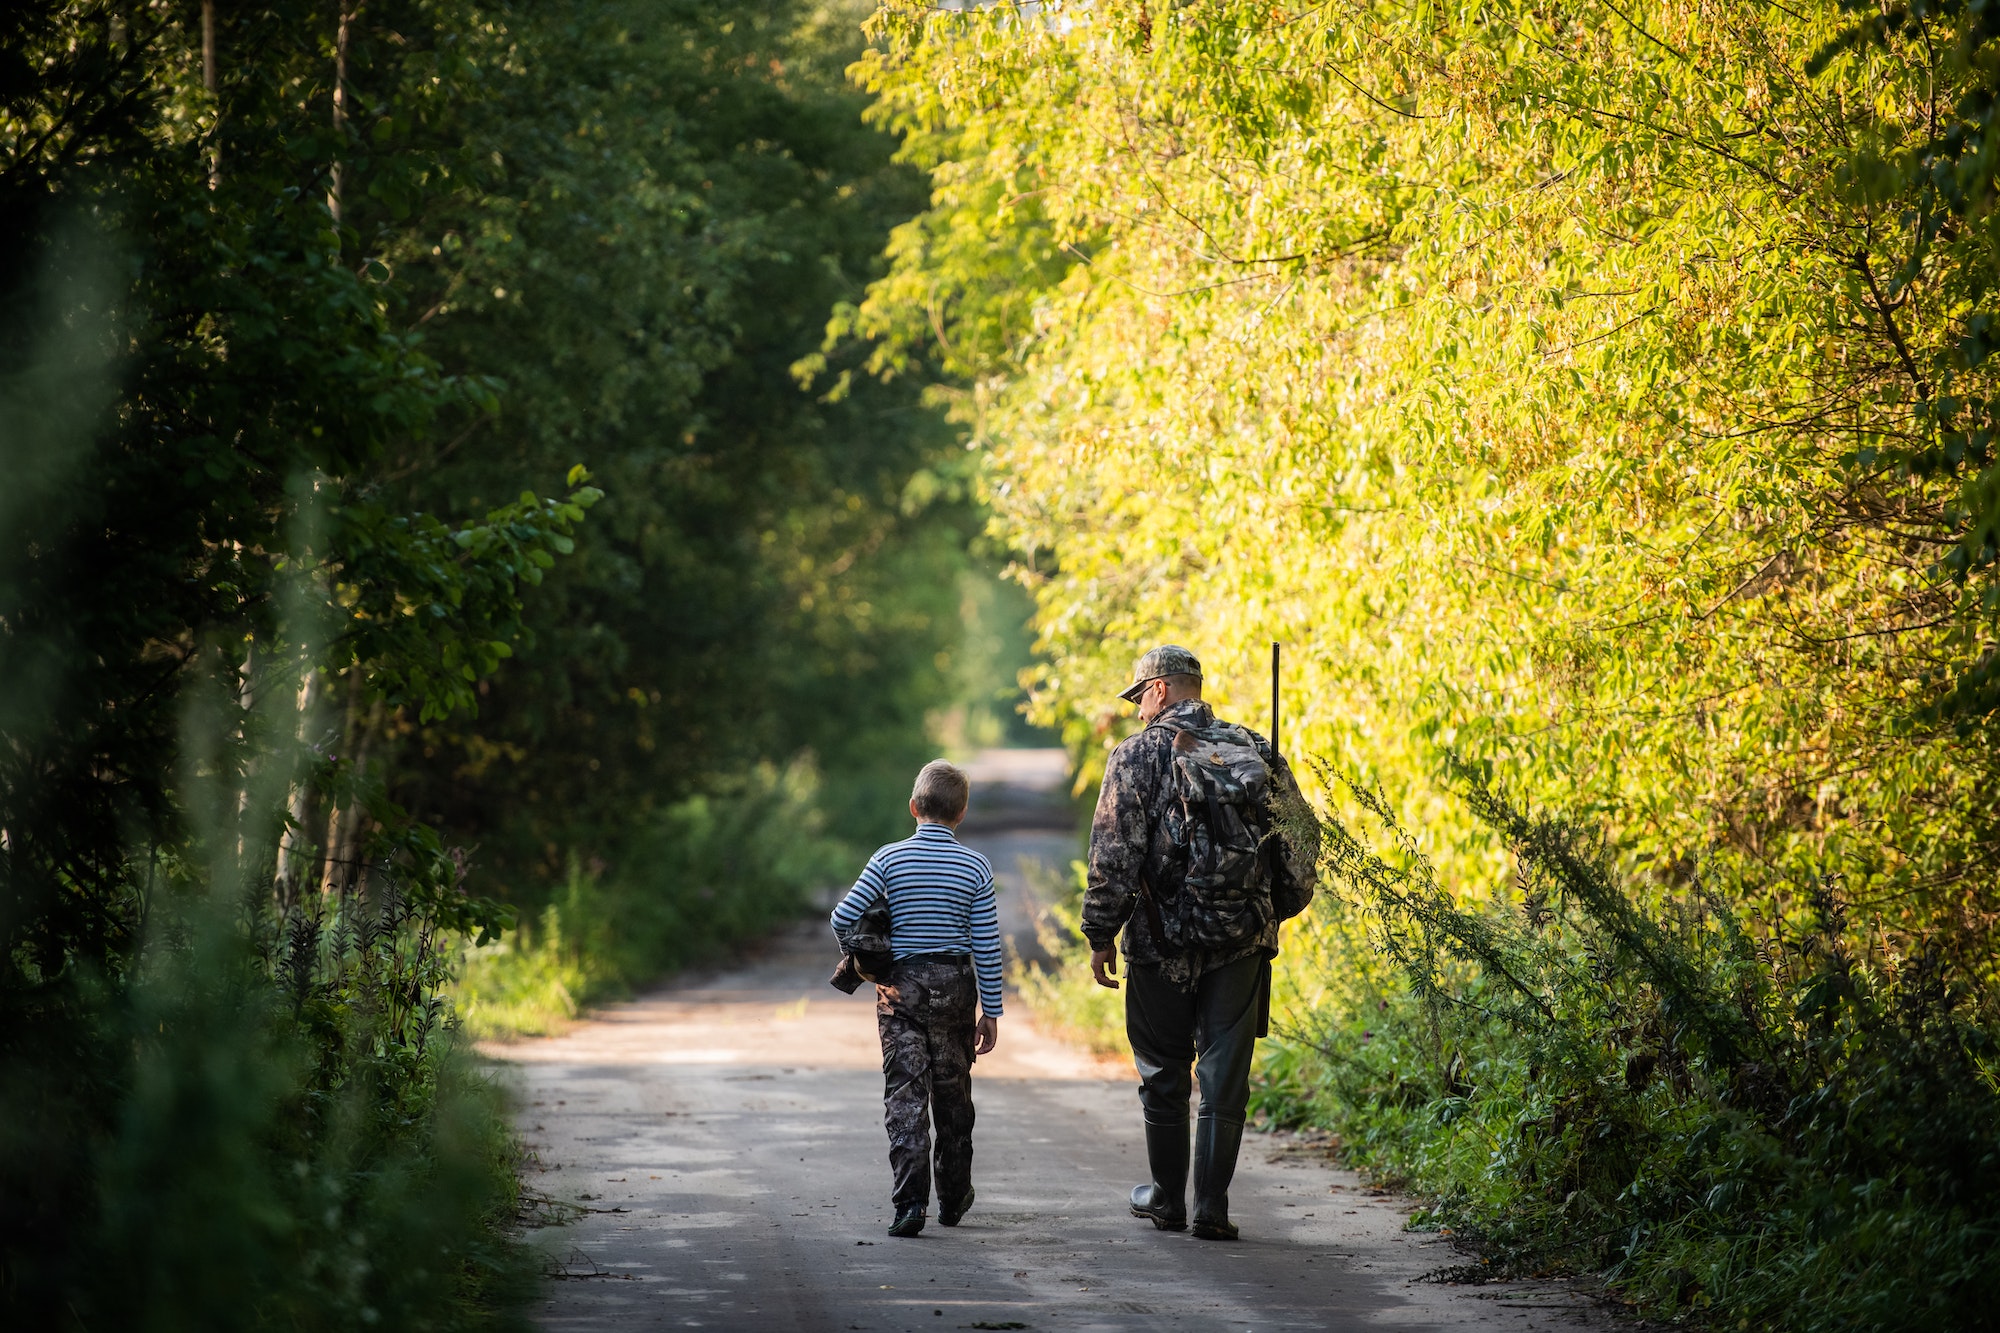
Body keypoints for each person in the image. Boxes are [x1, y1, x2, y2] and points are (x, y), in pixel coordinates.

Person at [1083, 645, 1314, 1240]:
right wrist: (1267, 914)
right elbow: (1302, 846)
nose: (1137, 713)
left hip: (1160, 941)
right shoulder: (1256, 750)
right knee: (1224, 1075)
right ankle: (1212, 1206)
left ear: (1159, 690)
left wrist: (1100, 933)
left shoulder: (1134, 757)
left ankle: (1165, 1198)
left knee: (1163, 1069)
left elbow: (1114, 853)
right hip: (1241, 941)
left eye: (1139, 699)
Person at [830, 760, 1003, 1239]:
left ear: (913, 807)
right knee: (952, 1096)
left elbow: (843, 919)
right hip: (955, 992)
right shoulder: (975, 866)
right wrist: (992, 1010)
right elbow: (986, 945)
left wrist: (870, 963)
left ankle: (910, 1204)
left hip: (898, 992)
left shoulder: (887, 860)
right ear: (962, 813)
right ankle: (953, 1197)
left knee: (904, 1096)